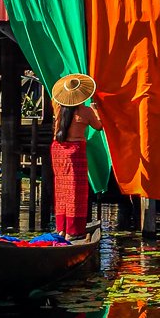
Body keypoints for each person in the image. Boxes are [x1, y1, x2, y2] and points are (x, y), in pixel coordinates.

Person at [51, 74, 103, 240]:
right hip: (74, 151)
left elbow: (55, 97)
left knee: (61, 189)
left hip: (58, 150)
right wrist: (95, 109)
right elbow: (99, 126)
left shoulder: (58, 106)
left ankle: (61, 229)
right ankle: (72, 231)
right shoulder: (86, 111)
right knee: (75, 190)